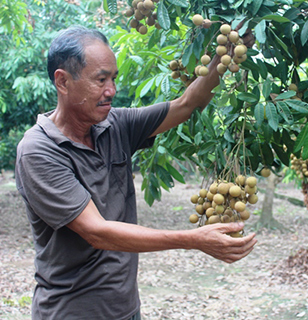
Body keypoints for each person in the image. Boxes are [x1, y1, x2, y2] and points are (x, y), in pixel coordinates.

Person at [15, 25, 257, 320]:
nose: (111, 90)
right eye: (100, 79)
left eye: (113, 79)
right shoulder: (39, 150)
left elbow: (186, 104)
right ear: (63, 82)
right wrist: (193, 239)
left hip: (125, 310)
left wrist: (225, 55)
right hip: (71, 313)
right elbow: (97, 231)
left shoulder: (114, 125)